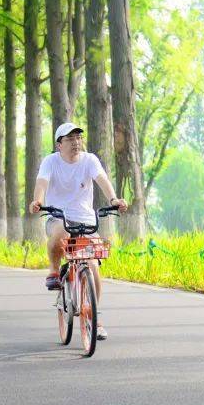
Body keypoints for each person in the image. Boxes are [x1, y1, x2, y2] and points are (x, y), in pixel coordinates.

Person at [28, 122, 127, 341]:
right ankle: (54, 271)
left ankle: (94, 316)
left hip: (85, 220)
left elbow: (102, 180)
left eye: (78, 138)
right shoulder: (50, 162)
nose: (76, 143)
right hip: (58, 217)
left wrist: (114, 199)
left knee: (92, 266)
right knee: (61, 233)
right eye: (70, 139)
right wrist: (38, 201)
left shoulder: (89, 160)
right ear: (58, 144)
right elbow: (42, 184)